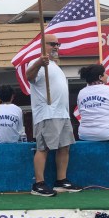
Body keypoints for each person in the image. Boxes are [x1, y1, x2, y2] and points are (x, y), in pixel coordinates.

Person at [26, 35, 81, 197]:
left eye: (58, 44)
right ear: (42, 45)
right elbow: (29, 77)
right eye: (52, 44)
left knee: (65, 147)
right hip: (47, 113)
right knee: (44, 147)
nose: (56, 46)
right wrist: (38, 63)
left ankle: (61, 181)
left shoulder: (55, 65)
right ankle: (38, 184)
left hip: (62, 113)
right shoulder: (38, 63)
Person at [76, 64, 109, 141]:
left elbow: (81, 112)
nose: (107, 75)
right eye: (105, 73)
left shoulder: (81, 92)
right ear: (100, 77)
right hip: (108, 134)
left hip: (85, 135)